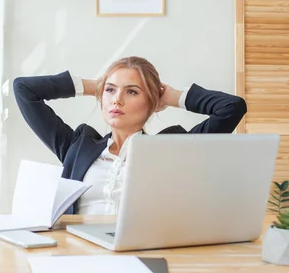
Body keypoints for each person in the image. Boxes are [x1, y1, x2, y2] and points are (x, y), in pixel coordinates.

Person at [13, 56, 247, 215]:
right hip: (78, 255)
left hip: (144, 254)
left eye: (132, 91)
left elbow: (232, 107)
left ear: (152, 102)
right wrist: (97, 85)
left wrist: (172, 96)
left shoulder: (173, 149)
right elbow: (24, 90)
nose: (117, 99)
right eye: (111, 90)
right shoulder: (77, 146)